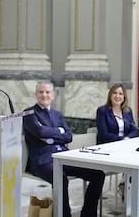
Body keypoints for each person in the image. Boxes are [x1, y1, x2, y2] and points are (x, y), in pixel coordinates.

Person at [23, 81, 105, 217]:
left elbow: (68, 136)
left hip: (64, 157)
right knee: (61, 179)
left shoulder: (57, 114)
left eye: (47, 92)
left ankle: (88, 214)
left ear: (53, 95)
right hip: (43, 161)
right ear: (36, 94)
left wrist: (50, 136)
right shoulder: (29, 113)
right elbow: (40, 132)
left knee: (98, 174)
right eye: (41, 92)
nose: (44, 95)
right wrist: (58, 131)